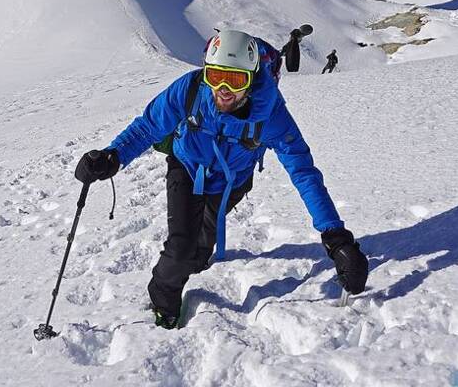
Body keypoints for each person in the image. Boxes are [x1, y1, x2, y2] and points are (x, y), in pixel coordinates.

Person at [74, 29, 368, 329]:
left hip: (231, 182)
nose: (224, 89)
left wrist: (335, 237)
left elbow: (302, 171)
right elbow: (148, 127)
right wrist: (113, 157)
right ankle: (164, 305)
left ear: (252, 80)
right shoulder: (189, 90)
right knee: (181, 250)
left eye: (236, 79)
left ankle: (199, 260)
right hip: (186, 168)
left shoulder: (272, 115)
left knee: (200, 251)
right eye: (215, 76)